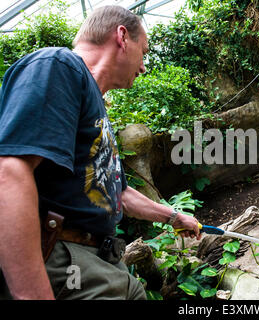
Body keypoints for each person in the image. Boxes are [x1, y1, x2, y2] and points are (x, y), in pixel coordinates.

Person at [0, 5, 200, 300]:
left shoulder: (96, 106)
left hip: (104, 261)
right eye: (143, 51)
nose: (143, 67)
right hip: (66, 260)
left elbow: (118, 194)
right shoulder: (59, 65)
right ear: (122, 37)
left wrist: (173, 217)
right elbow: (10, 171)